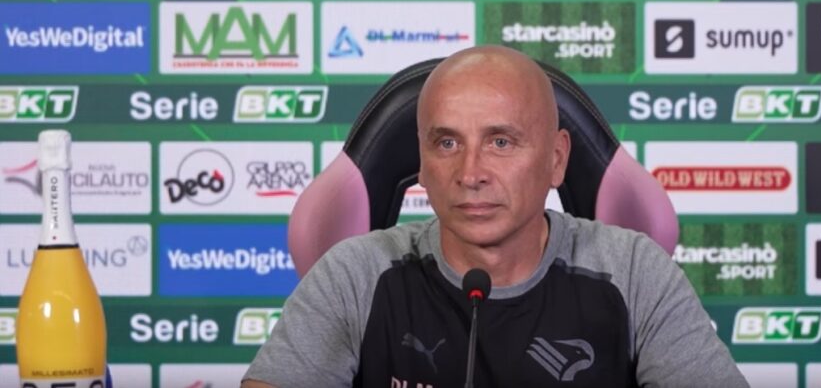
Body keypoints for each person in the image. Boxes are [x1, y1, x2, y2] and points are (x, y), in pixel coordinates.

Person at [242, 46, 748, 388]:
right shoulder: (353, 273)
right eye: (447, 143)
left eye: (501, 142)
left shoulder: (635, 272)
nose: (470, 173)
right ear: (422, 164)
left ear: (556, 159)